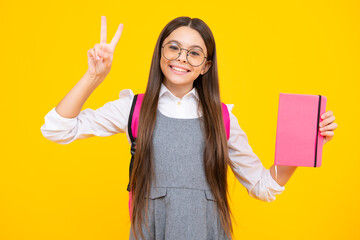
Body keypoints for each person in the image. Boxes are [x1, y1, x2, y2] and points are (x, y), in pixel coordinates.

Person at [40, 16, 337, 240]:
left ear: (206, 66)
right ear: (160, 54)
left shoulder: (223, 118)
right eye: (174, 48)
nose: (182, 58)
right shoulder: (133, 108)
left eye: (194, 53)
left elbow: (263, 186)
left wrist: (305, 145)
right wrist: (94, 76)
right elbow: (57, 129)